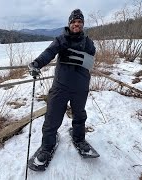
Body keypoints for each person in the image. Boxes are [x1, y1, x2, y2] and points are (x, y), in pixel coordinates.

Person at [28, 9, 96, 169]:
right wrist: (37, 63)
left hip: (81, 85)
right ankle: (47, 147)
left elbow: (91, 58)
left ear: (83, 24)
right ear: (69, 24)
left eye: (79, 22)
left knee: (80, 115)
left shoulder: (88, 42)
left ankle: (79, 139)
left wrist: (78, 57)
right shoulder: (61, 39)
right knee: (52, 117)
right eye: (74, 22)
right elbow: (49, 52)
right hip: (61, 86)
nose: (76, 24)